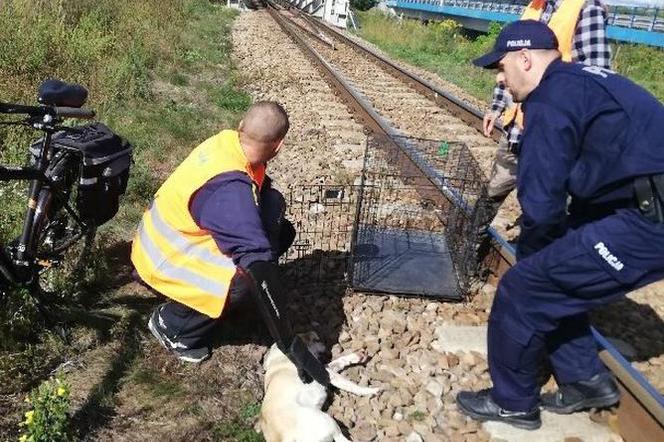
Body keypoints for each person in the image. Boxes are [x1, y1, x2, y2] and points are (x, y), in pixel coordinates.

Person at [457, 20, 664, 430]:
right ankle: (585, 381)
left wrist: (536, 255)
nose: (501, 78)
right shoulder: (577, 80)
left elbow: (541, 200)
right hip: (634, 201)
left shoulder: (550, 100)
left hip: (647, 219)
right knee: (554, 278)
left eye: (501, 67)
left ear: (525, 59)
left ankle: (513, 402)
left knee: (524, 289)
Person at [131, 101, 329, 385]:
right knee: (246, 278)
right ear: (280, 145)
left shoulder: (226, 145)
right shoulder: (229, 191)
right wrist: (289, 343)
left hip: (161, 244)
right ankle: (174, 327)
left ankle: (201, 308)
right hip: (163, 262)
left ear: (241, 128)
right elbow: (257, 263)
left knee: (279, 227)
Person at [480, 0, 611, 226]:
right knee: (495, 188)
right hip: (517, 126)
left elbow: (596, 76)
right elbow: (511, 62)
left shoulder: (586, 8)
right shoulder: (535, 6)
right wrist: (497, 106)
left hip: (553, 129)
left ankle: (537, 247)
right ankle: (469, 240)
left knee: (545, 201)